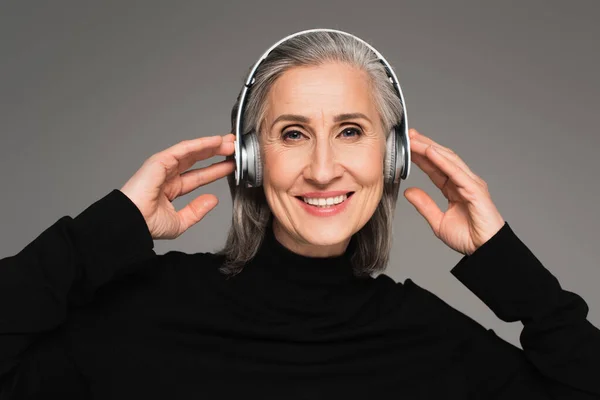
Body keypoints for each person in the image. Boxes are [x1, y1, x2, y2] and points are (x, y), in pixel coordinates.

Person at [0, 29, 599, 400]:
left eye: (350, 131)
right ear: (253, 159)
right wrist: (107, 230)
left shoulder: (431, 339)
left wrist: (509, 268)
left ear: (392, 156)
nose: (321, 169)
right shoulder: (139, 314)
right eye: (291, 134)